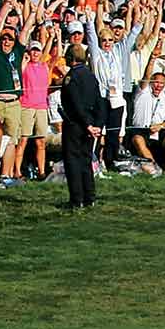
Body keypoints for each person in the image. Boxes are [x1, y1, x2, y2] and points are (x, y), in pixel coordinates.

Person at [59, 42, 101, 208]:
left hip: (76, 124)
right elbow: (99, 102)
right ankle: (89, 196)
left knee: (73, 161)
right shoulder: (91, 76)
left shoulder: (72, 77)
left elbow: (76, 104)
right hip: (90, 124)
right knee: (86, 160)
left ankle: (76, 199)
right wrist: (96, 124)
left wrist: (87, 124)